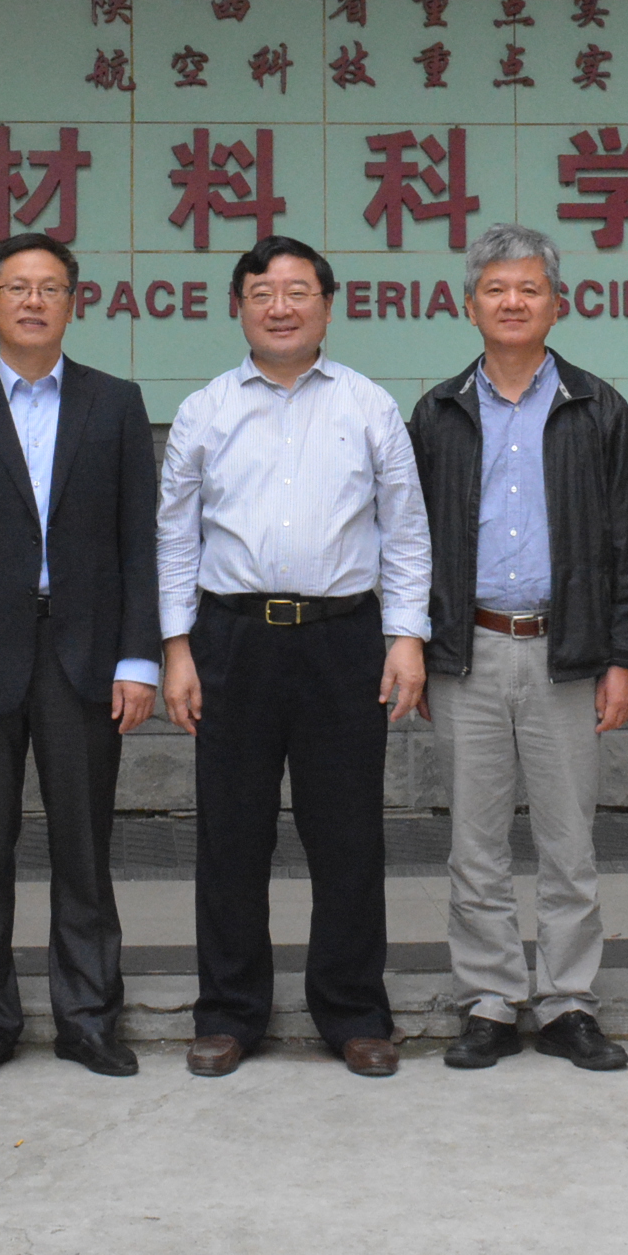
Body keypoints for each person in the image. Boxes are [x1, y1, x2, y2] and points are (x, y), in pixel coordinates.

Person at [159, 235, 430, 1080]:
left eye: (298, 292)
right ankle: (228, 1013)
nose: (281, 307)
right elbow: (174, 537)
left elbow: (405, 531)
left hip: (342, 640)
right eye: (263, 293)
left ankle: (354, 1012)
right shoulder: (205, 409)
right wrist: (176, 646)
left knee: (348, 836)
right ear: (238, 307)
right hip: (230, 638)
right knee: (230, 836)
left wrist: (406, 636)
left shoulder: (368, 405)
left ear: (327, 305)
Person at [0, 233, 163, 1082]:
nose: (32, 301)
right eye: (16, 287)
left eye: (49, 287)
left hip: (84, 657)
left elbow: (139, 542)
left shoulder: (115, 403)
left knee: (84, 849)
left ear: (72, 304)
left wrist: (138, 659)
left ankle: (88, 1018)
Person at [408, 223, 628, 1073]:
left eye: (529, 288)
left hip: (566, 653)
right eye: (496, 289)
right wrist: (412, 644)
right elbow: (410, 541)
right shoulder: (439, 413)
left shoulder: (597, 408)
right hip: (467, 652)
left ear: (558, 303)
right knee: (473, 844)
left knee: (567, 843)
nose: (513, 302)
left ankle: (567, 1002)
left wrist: (624, 657)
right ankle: (486, 1000)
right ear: (468, 303)